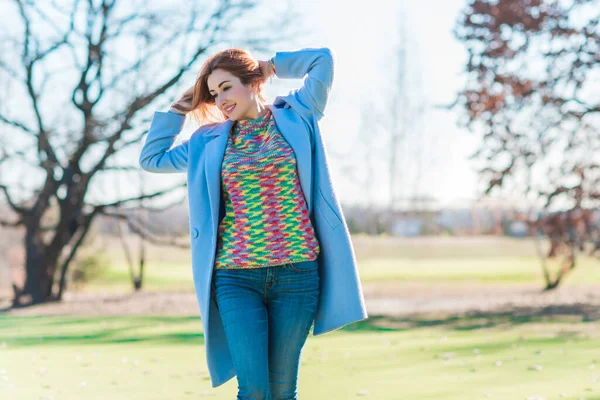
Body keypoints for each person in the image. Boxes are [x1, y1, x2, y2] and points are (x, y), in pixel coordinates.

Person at [139, 47, 368, 399]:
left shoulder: (298, 114)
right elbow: (152, 158)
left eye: (227, 87)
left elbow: (322, 60)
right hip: (235, 277)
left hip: (297, 276)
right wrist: (182, 107)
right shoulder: (207, 140)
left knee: (281, 389)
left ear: (252, 83)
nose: (220, 100)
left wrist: (270, 66)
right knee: (254, 390)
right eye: (214, 94)